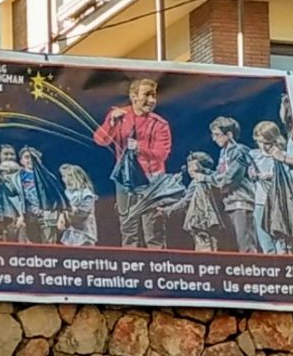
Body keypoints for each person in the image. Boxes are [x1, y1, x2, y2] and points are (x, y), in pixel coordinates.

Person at [93, 77, 172, 248]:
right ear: (133, 96)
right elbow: (100, 140)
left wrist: (139, 149)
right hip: (126, 180)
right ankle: (130, 262)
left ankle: (158, 264)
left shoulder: (160, 124)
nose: (151, 100)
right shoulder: (120, 116)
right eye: (147, 95)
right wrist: (110, 122)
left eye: (154, 96)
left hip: (151, 181)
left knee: (153, 231)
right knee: (128, 229)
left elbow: (162, 154)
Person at [250, 120, 293, 253]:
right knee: (263, 236)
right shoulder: (254, 155)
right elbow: (249, 172)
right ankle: (270, 260)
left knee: (280, 234)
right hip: (260, 200)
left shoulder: (281, 155)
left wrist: (271, 174)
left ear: (274, 140)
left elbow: (287, 175)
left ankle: (283, 258)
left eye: (267, 143)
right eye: (260, 142)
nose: (264, 146)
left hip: (277, 202)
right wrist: (252, 173)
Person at [206, 116, 256, 253]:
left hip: (241, 201)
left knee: (245, 243)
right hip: (228, 202)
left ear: (229, 134)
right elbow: (218, 174)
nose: (214, 138)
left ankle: (251, 265)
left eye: (217, 135)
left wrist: (207, 179)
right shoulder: (223, 153)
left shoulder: (239, 151)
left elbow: (230, 178)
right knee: (234, 245)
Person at [175, 151, 232, 252]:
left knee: (204, 247)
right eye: (189, 167)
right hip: (214, 221)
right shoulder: (213, 179)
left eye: (192, 167)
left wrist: (168, 209)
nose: (190, 170)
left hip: (200, 220)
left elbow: (185, 201)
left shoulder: (199, 182)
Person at [55, 163, 98, 247]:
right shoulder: (66, 194)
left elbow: (83, 214)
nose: (64, 179)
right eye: (63, 176)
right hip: (71, 233)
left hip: (84, 233)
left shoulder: (86, 194)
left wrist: (70, 211)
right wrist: (61, 216)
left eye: (68, 176)